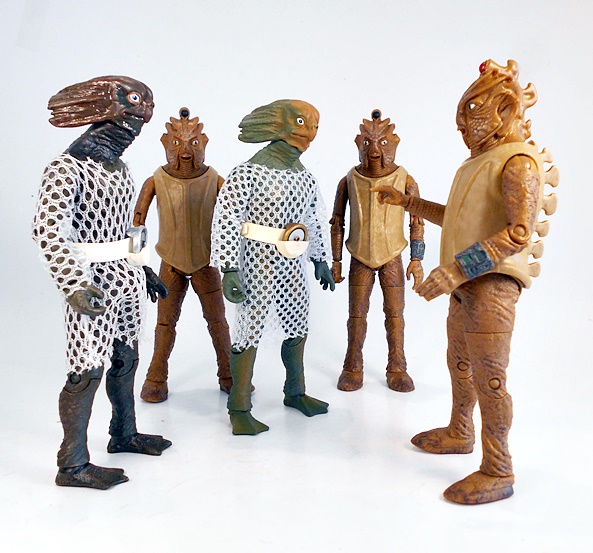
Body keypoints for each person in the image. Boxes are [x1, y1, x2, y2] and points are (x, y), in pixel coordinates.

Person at [374, 60, 558, 504]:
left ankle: (498, 468)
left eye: (472, 111)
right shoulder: (478, 163)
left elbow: (518, 233)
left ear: (505, 108)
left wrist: (456, 269)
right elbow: (457, 220)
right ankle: (461, 431)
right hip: (466, 288)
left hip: (491, 286)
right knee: (459, 361)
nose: (462, 125)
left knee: (490, 378)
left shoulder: (518, 163)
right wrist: (407, 203)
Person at [32, 76, 171, 490]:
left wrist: (143, 268)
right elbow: (47, 230)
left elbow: (125, 227)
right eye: (134, 105)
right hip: (90, 282)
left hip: (124, 277)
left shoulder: (120, 169)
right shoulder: (65, 168)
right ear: (103, 110)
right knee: (86, 369)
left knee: (126, 358)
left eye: (146, 109)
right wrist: (74, 284)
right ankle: (72, 464)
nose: (141, 118)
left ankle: (123, 433)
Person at [210, 99, 335, 435]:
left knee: (298, 323)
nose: (309, 132)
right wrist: (229, 268)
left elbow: (314, 217)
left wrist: (320, 258)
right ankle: (239, 407)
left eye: (315, 125)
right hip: (257, 261)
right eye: (302, 122)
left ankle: (295, 391)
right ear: (278, 125)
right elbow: (226, 219)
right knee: (249, 327)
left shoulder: (305, 178)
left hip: (292, 262)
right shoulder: (247, 173)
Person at [134, 107, 233, 402]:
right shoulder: (156, 180)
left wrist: (234, 261)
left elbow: (235, 219)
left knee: (218, 321)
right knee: (165, 324)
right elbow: (137, 223)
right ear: (167, 145)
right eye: (177, 144)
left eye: (193, 144)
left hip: (206, 263)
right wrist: (137, 265)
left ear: (203, 145)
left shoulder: (215, 179)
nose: (186, 153)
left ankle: (229, 374)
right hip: (170, 263)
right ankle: (156, 377)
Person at [330, 109, 424, 393]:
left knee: (395, 316)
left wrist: (416, 259)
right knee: (356, 316)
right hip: (359, 256)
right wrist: (336, 261)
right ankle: (352, 366)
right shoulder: (349, 180)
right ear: (359, 146)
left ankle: (397, 367)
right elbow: (337, 222)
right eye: (368, 144)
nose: (374, 152)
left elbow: (417, 221)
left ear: (392, 146)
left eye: (382, 144)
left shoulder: (405, 180)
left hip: (392, 256)